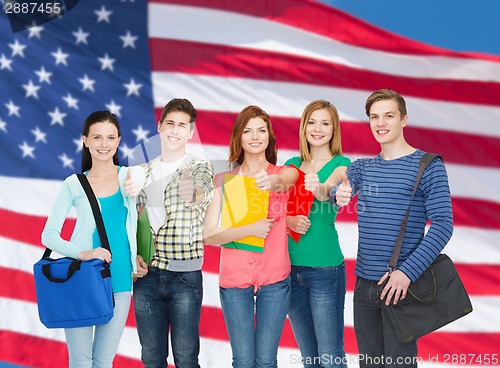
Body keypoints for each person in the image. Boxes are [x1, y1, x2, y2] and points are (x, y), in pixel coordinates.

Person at [332, 89, 453, 367]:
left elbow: (443, 225)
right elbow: (337, 193)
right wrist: (338, 193)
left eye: (388, 115)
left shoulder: (428, 165)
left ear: (404, 119)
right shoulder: (363, 168)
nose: (380, 123)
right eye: (374, 117)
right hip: (364, 288)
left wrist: (406, 273)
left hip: (401, 288)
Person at [41, 110, 147, 367]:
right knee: (80, 360)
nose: (104, 144)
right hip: (82, 278)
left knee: (103, 361)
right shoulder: (73, 184)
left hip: (121, 279)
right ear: (85, 140)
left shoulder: (131, 178)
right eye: (97, 137)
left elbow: (142, 223)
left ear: (119, 140)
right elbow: (49, 235)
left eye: (110, 138)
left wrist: (139, 256)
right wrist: (83, 253)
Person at [203, 105, 298, 368]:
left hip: (275, 278)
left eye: (261, 130)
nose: (255, 136)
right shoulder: (223, 180)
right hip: (234, 279)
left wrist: (274, 183)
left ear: (269, 136)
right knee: (243, 361)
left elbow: (290, 178)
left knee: (266, 360)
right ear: (239, 137)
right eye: (248, 131)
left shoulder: (282, 174)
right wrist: (249, 229)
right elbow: (208, 235)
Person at [132, 98, 214, 368]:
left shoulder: (199, 166)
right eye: (170, 123)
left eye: (182, 125)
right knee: (152, 358)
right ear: (159, 126)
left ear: (190, 132)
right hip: (146, 277)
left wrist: (194, 192)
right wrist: (134, 257)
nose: (175, 130)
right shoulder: (142, 172)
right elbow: (131, 222)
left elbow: (202, 190)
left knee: (186, 359)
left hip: (184, 277)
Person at [285, 100, 350, 368]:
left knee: (331, 358)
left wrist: (318, 186)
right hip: (289, 269)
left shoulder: (342, 165)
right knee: (310, 359)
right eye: (312, 122)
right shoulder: (290, 164)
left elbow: (328, 192)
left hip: (325, 270)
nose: (317, 129)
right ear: (303, 127)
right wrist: (289, 219)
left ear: (334, 129)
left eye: (325, 123)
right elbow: (273, 212)